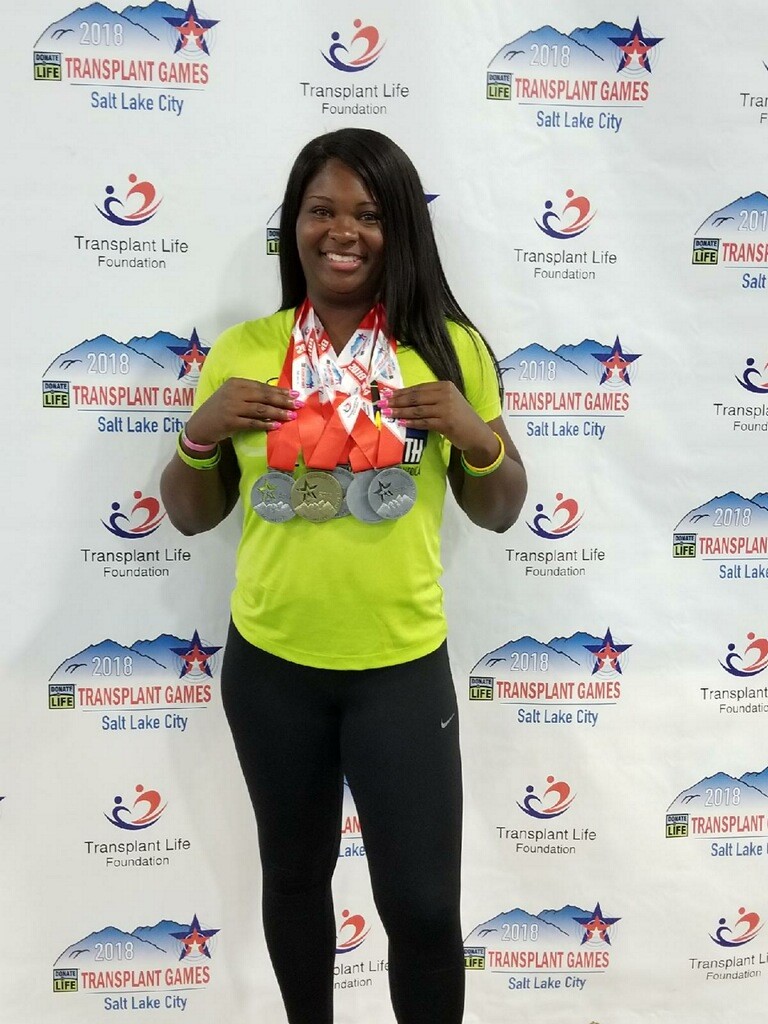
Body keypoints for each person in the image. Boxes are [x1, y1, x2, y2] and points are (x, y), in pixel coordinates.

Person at [160, 128, 527, 1024]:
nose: (343, 231)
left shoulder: (449, 351)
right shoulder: (247, 348)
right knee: (293, 877)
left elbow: (501, 508)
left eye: (368, 214)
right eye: (321, 211)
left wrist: (476, 435)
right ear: (294, 227)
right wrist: (199, 431)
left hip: (399, 667)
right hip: (274, 664)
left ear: (400, 229)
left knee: (425, 908)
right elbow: (193, 511)